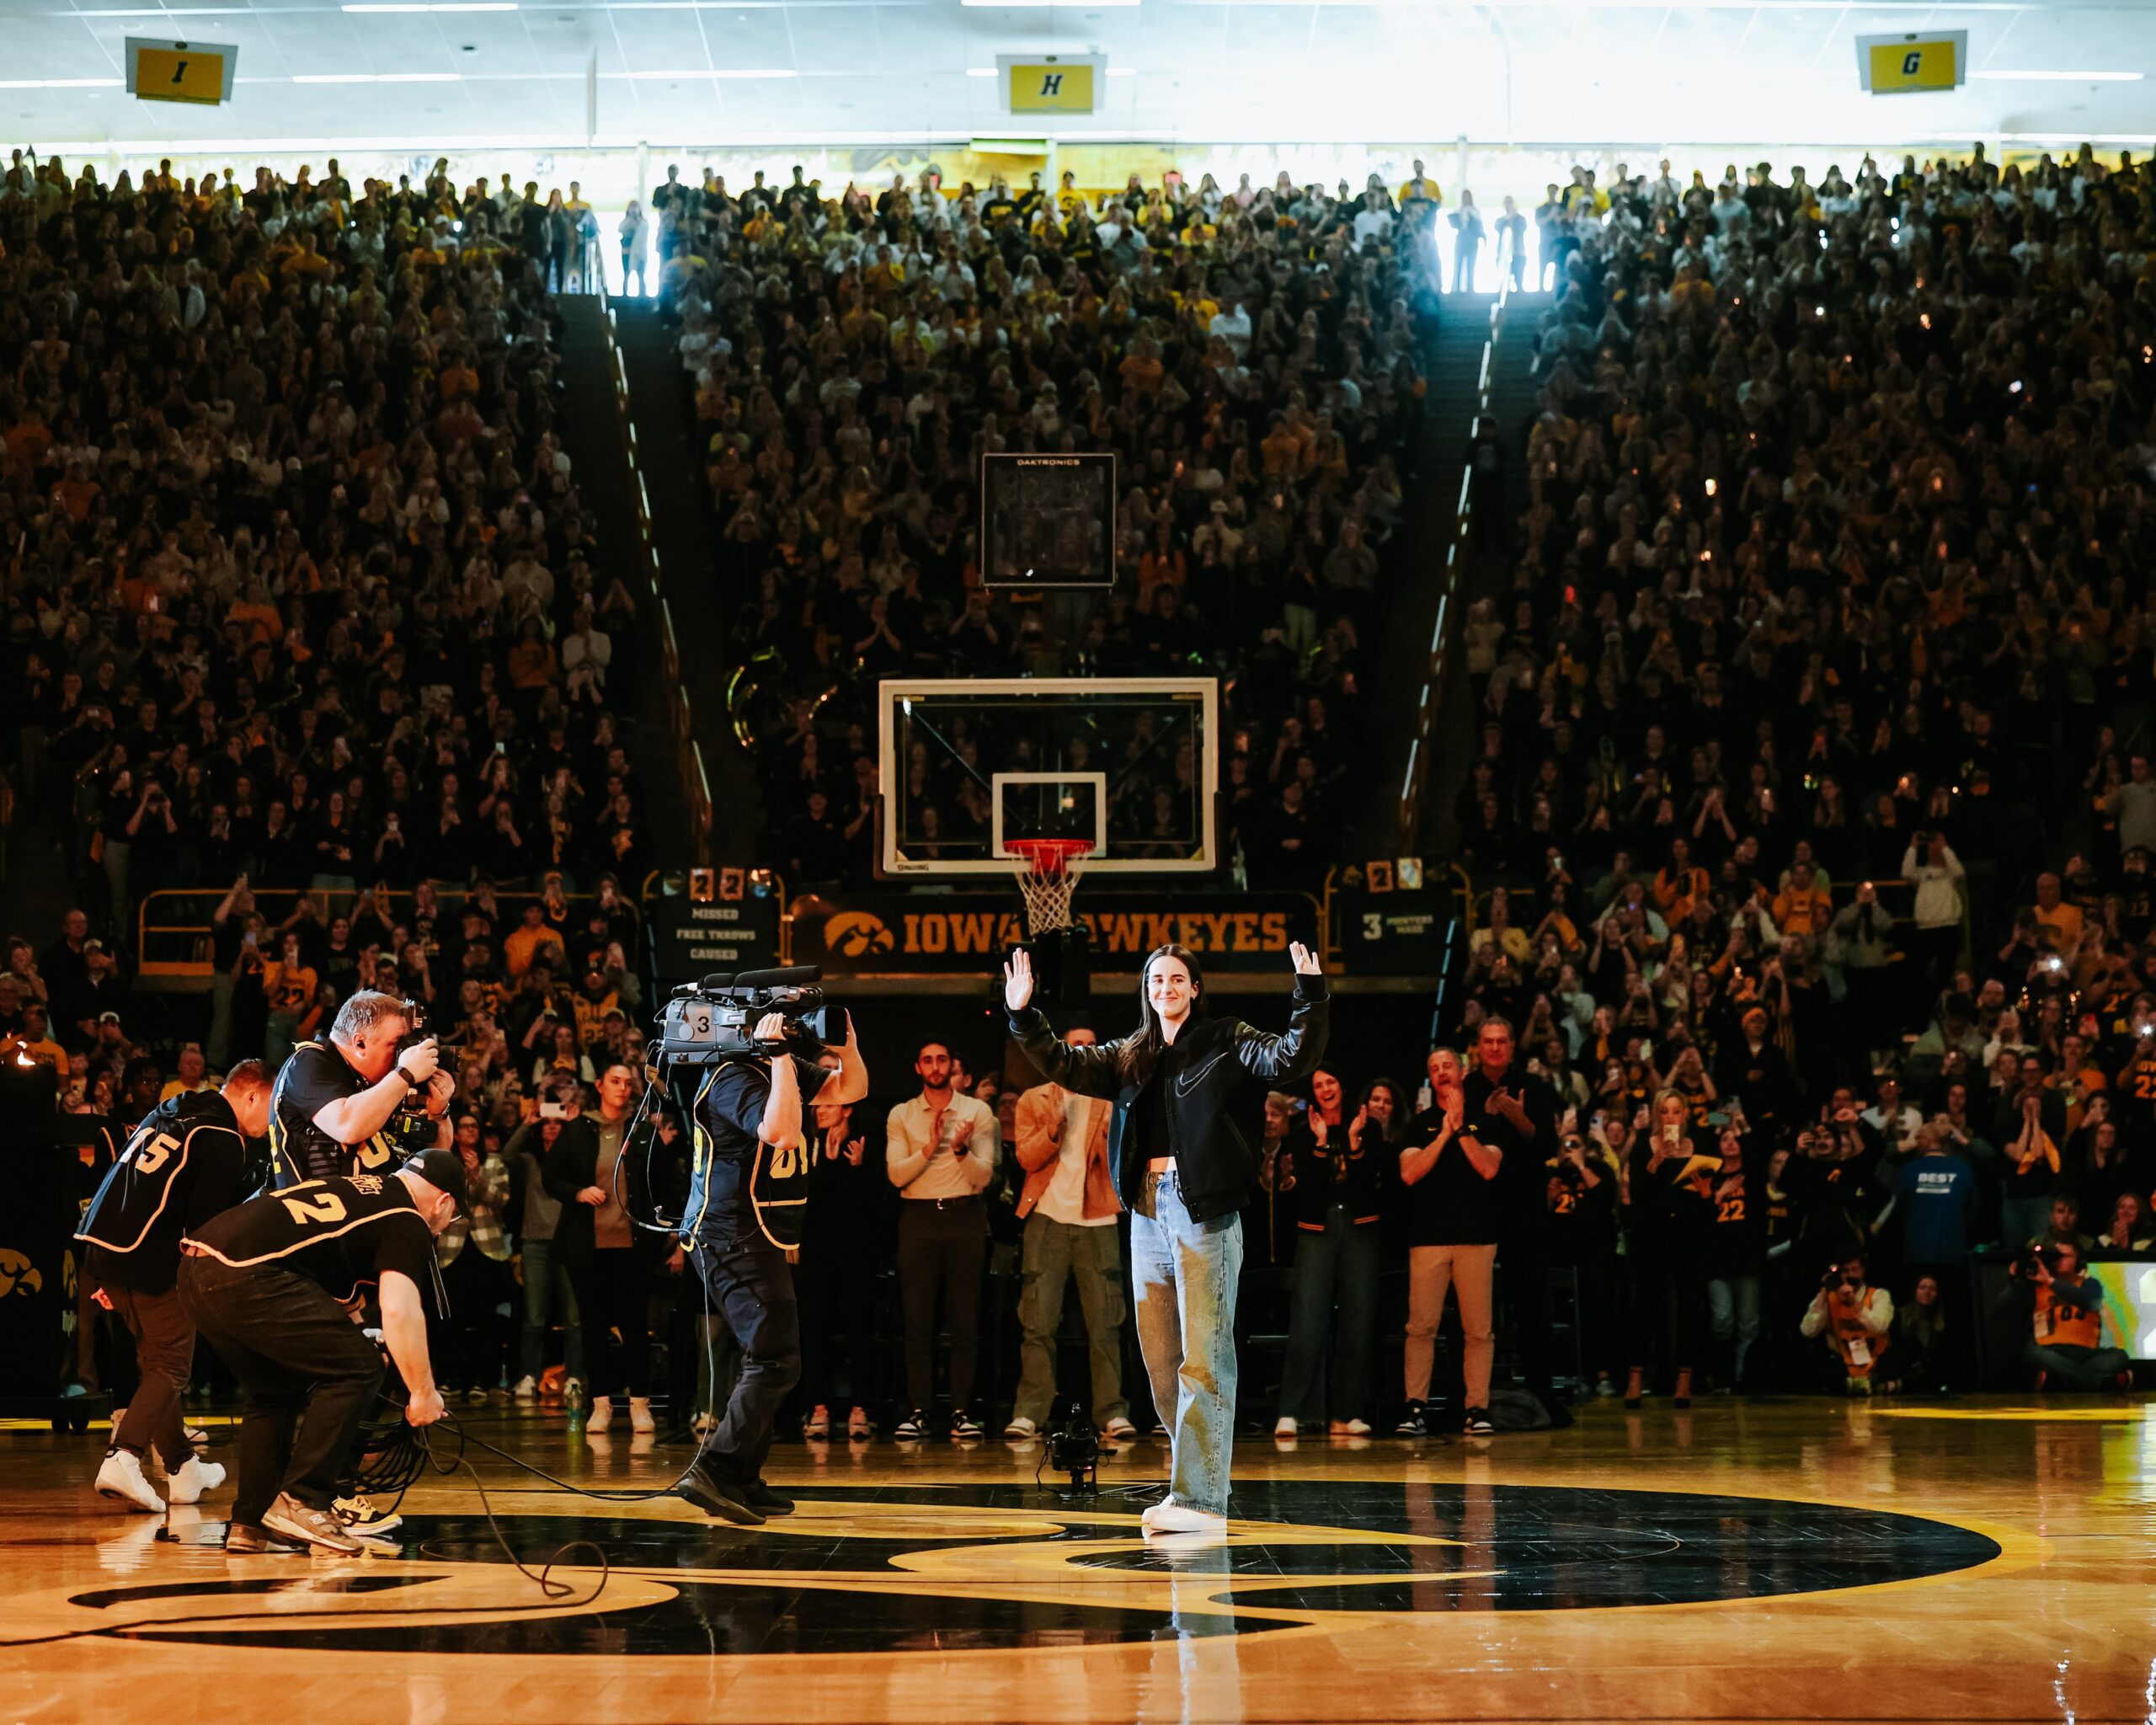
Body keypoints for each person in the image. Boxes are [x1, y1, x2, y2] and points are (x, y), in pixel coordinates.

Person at [1005, 940, 1328, 1539]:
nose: (1166, 989)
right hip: (1148, 1210)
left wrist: (1308, 995)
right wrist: (1024, 1016)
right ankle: (1202, 1479)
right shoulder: (1132, 1053)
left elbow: (1288, 1058)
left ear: (1195, 989)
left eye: (1177, 980)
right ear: (1147, 992)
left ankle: (1201, 1501)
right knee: (1160, 1364)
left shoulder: (1226, 1037)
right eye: (1156, 981)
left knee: (1205, 1361)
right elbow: (1066, 1064)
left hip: (1204, 1207)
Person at [178, 1150, 463, 1553]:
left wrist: (362, 1335)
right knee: (360, 1371)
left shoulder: (363, 1191)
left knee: (275, 1391)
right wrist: (422, 1392)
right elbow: (401, 1310)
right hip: (246, 1275)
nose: (442, 1230)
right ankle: (304, 1499)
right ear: (443, 1202)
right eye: (449, 1220)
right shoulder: (407, 1218)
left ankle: (251, 1522)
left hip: (196, 1270)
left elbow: (328, 1286)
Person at [675, 1014, 869, 1525]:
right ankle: (715, 1469)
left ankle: (741, 1474)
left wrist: (846, 1046)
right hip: (726, 1232)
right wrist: (780, 1055)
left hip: (753, 1232)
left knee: (778, 1357)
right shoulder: (733, 1076)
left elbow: (851, 1087)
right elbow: (780, 1131)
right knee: (774, 1356)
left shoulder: (769, 1067)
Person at [77, 1061, 272, 1514]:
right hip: (149, 1255)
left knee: (154, 1364)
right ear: (251, 1096)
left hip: (101, 1246)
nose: (274, 1118)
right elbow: (202, 1228)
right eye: (272, 1105)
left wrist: (110, 1273)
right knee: (171, 1367)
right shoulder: (224, 1137)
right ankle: (123, 1456)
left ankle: (183, 1468)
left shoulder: (172, 1109)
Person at [1007, 1028, 1134, 1442]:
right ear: (1061, 1049)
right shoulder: (1035, 1099)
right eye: (1074, 1044)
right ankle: (1030, 1413)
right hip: (1047, 1216)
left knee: (1106, 1324)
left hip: (1097, 1218)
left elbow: (1122, 1154)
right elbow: (1026, 1157)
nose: (1082, 1051)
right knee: (1037, 1322)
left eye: (1089, 1045)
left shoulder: (1112, 1098)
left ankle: (1112, 1412)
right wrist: (1055, 1126)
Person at [884, 1039, 1000, 1439]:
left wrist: (961, 1149)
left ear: (952, 1066)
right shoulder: (901, 1114)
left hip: (964, 1216)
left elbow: (984, 1177)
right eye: (927, 1059)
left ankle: (961, 1412)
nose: (935, 1066)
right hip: (917, 1219)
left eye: (942, 1059)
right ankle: (919, 1410)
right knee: (918, 1322)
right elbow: (897, 1175)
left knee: (966, 1320)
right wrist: (932, 1145)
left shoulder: (977, 1112)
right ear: (918, 1067)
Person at [542, 1063, 662, 1433]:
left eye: (628, 1083)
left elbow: (663, 1181)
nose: (623, 1088)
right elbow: (551, 1177)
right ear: (599, 1086)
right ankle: (601, 1404)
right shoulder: (578, 1129)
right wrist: (578, 1192)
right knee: (592, 1326)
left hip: (632, 1244)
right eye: (615, 1081)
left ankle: (640, 1404)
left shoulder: (642, 1131)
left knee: (634, 1325)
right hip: (586, 1245)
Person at [1275, 1067, 1393, 1435]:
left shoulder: (1368, 1128)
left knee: (1357, 1319)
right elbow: (1306, 1188)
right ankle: (1294, 1411)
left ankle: (1347, 1413)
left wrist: (1355, 1145)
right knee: (1308, 1319)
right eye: (1319, 1085)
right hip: (1316, 1229)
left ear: (1343, 1087)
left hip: (1360, 1228)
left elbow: (1369, 1188)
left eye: (1331, 1082)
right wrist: (1321, 1142)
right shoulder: (1301, 1132)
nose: (1326, 1089)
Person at [1396, 1047, 1502, 1434]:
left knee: (1479, 1330)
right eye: (1434, 1068)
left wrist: (1460, 1129)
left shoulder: (1485, 1121)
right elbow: (1410, 1173)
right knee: (1420, 1327)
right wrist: (1443, 1134)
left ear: (1463, 1070)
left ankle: (1477, 1409)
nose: (1441, 1072)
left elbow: (1488, 1168)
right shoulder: (1418, 1123)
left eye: (1447, 1066)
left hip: (1476, 1237)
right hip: (1428, 1239)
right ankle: (1415, 1408)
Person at [268, 991, 450, 1186]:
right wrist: (405, 1073)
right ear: (360, 1043)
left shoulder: (387, 1083)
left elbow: (435, 1169)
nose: (405, 1053)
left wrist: (438, 1115)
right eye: (397, 1043)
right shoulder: (309, 1061)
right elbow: (347, 1126)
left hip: (387, 1208)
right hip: (322, 1211)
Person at [2012, 1241, 2132, 1392]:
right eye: (2056, 1256)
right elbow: (2000, 1311)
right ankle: (2100, 1382)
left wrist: (2050, 1281)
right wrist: (2014, 1281)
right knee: (2031, 1352)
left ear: (2078, 1261)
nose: (2058, 1259)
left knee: (2119, 1356)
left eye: (2064, 1256)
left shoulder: (2090, 1284)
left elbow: (2091, 1302)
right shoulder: (2037, 1286)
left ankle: (2062, 1381)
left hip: (2086, 1354)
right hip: (2051, 1351)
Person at [1799, 1252, 1894, 1393]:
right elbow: (1807, 1331)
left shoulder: (1879, 1295)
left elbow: (1880, 1327)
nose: (1850, 1275)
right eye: (1845, 1270)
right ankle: (1858, 1385)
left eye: (1855, 1270)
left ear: (1863, 1271)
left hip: (1875, 1358)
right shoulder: (1829, 1297)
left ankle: (1870, 1382)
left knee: (1910, 1347)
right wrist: (1823, 1295)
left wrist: (1854, 1303)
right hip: (1843, 1360)